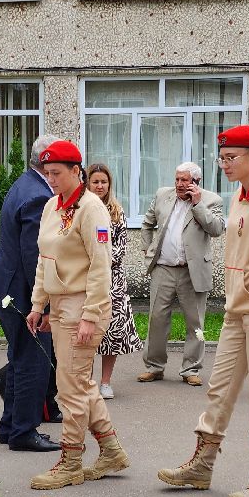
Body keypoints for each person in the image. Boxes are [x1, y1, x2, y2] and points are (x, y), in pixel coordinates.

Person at [158, 125, 249, 497]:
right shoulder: (240, 194)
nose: (224, 165)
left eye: (231, 157)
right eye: (221, 158)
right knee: (219, 389)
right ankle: (202, 465)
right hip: (239, 311)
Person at [25, 139, 129, 489]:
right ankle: (111, 450)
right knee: (80, 383)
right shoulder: (52, 206)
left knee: (69, 387)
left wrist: (91, 314)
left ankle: (70, 460)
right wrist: (38, 305)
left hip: (84, 305)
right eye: (46, 172)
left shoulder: (92, 208)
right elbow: (45, 259)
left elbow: (102, 266)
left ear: (75, 171)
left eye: (57, 173)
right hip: (60, 305)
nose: (51, 179)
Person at [0, 135, 60, 453]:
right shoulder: (39, 196)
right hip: (20, 290)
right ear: (45, 161)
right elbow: (34, 256)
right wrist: (40, 304)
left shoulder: (26, 184)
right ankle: (24, 432)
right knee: (34, 361)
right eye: (59, 163)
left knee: (20, 359)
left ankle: (10, 428)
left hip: (7, 287)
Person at [137, 162, 226, 386]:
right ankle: (154, 366)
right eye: (177, 179)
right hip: (163, 269)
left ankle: (191, 368)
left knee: (196, 324)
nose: (179, 184)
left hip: (192, 271)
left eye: (184, 180)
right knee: (156, 320)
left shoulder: (211, 200)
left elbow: (216, 229)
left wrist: (198, 205)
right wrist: (147, 248)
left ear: (196, 182)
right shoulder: (162, 195)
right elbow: (147, 223)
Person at [86, 162, 144, 398]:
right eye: (95, 181)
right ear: (87, 183)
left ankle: (106, 382)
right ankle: (85, 382)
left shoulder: (116, 213)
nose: (100, 186)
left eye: (104, 181)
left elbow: (119, 251)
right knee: (85, 332)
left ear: (109, 184)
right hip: (86, 280)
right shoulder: (81, 209)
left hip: (112, 281)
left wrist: (98, 260)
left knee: (112, 331)